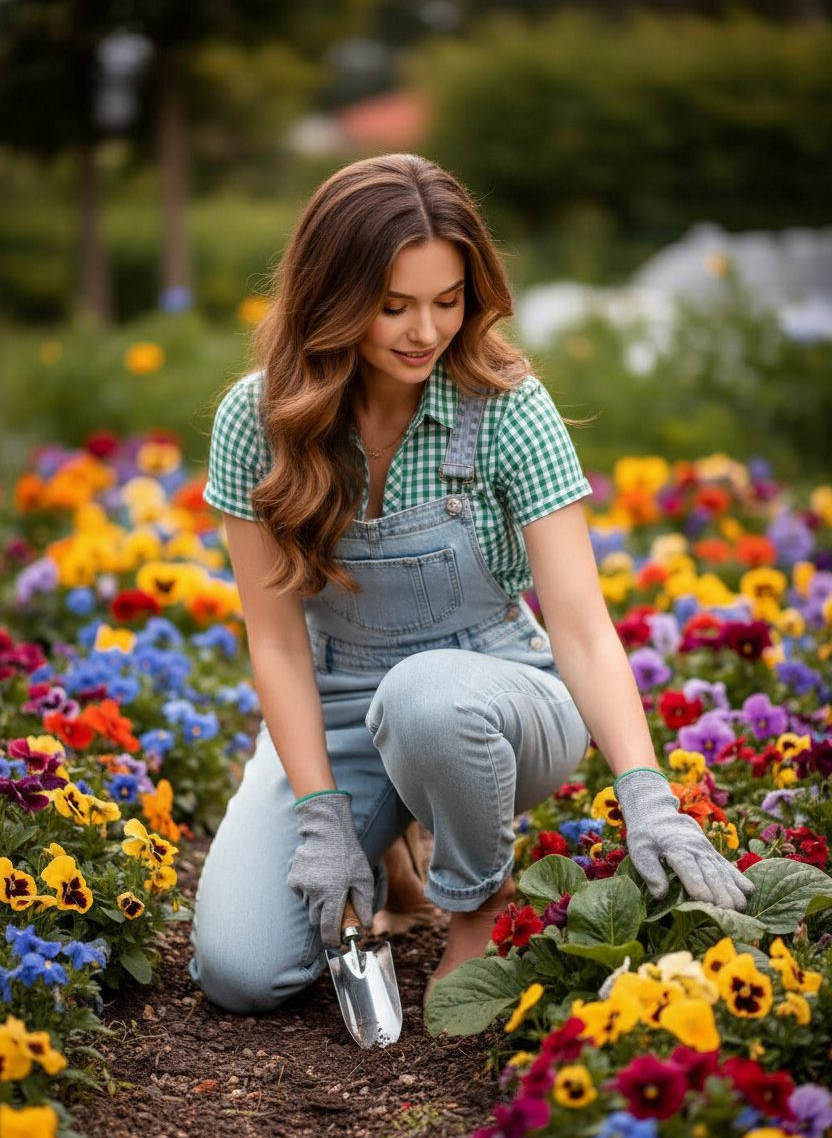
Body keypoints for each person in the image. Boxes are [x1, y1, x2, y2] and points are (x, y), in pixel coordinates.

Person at [189, 153, 753, 1016]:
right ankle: (388, 844)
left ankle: (475, 902)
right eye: (394, 306)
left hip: (500, 693)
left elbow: (583, 629)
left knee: (429, 698)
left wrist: (649, 796)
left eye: (447, 301)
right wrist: (319, 816)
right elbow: (274, 640)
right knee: (242, 969)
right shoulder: (259, 420)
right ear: (330, 297)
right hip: (339, 693)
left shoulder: (506, 406)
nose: (425, 330)